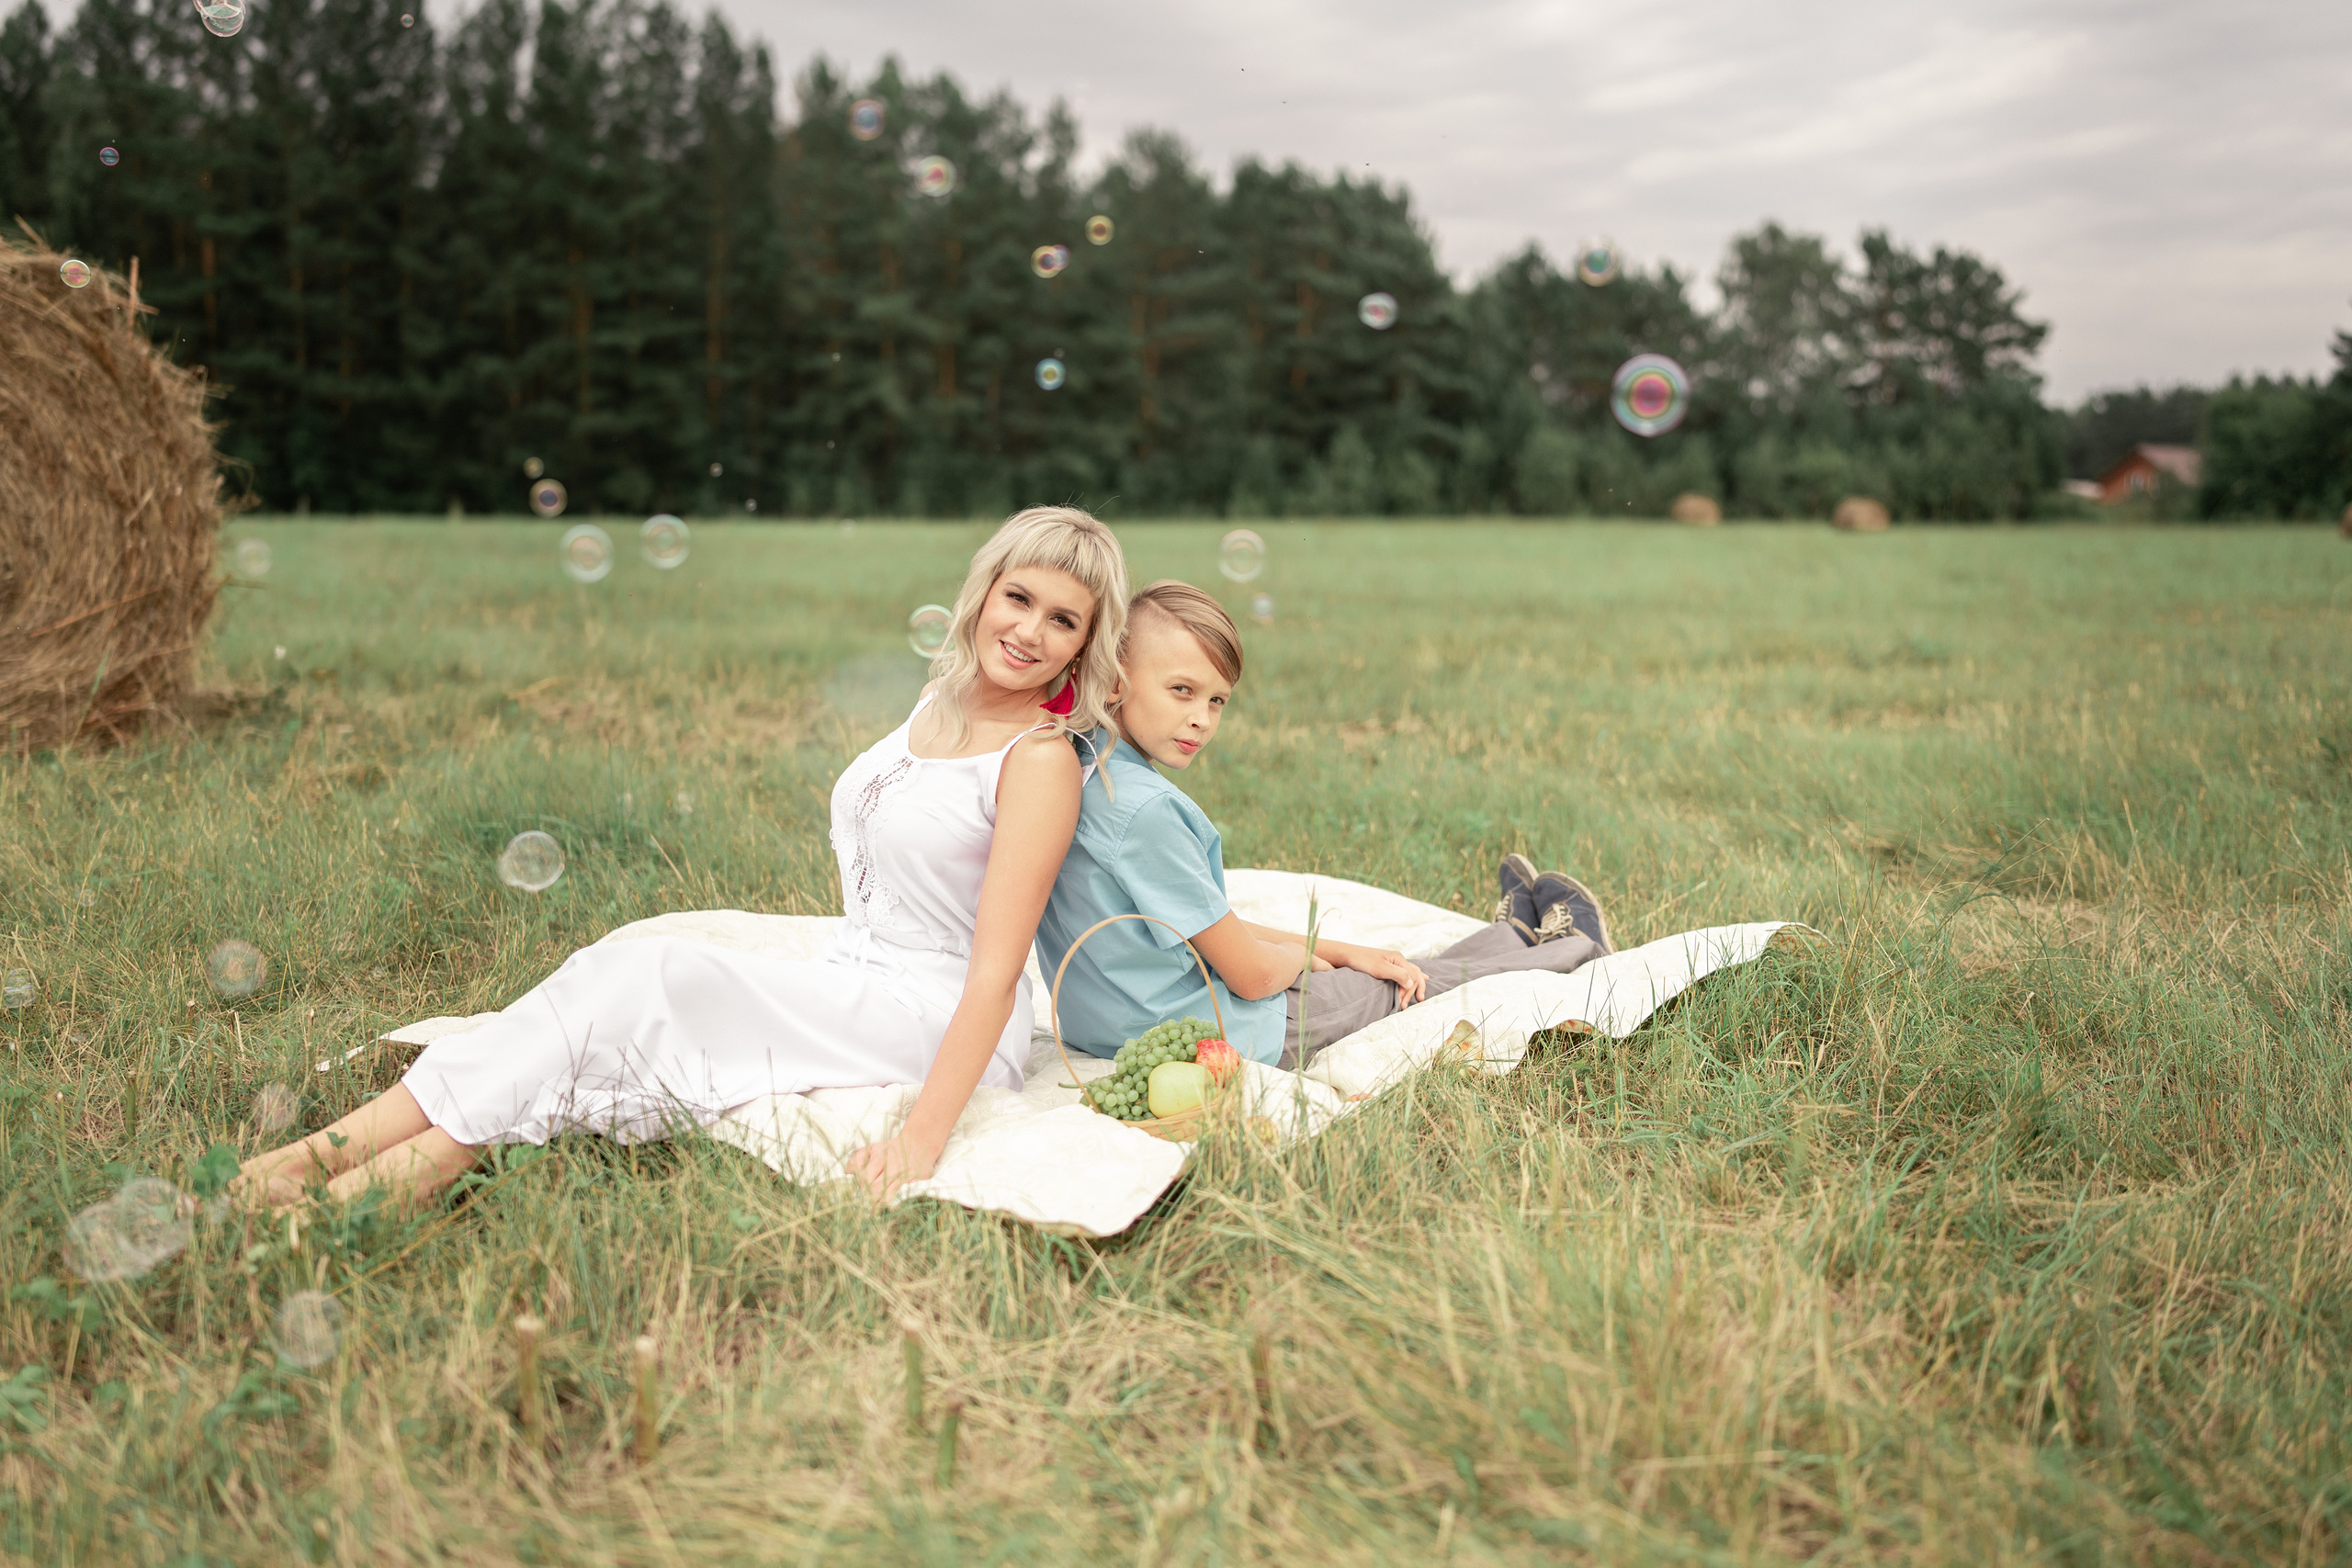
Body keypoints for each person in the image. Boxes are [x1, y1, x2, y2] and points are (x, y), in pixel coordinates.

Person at [236, 506, 1129, 1209]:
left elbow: (995, 974)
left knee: (649, 977)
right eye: (1019, 598)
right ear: (986, 590)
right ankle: (370, 1163)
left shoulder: (1039, 761)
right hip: (855, 974)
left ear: (1084, 645)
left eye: (1063, 620)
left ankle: (341, 1168)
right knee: (616, 985)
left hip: (933, 1015)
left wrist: (919, 1139)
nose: (1030, 631)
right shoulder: (942, 698)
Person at [1035, 581, 1612, 1071]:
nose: (1201, 719)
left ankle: (1512, 936)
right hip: (1226, 1031)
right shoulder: (1147, 812)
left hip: (1114, 1023)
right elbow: (1254, 976)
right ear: (1115, 679)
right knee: (1404, 985)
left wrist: (1339, 949)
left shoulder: (1072, 769)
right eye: (1182, 690)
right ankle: (1572, 947)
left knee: (1376, 965)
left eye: (1217, 701)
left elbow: (1201, 927)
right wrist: (1304, 960)